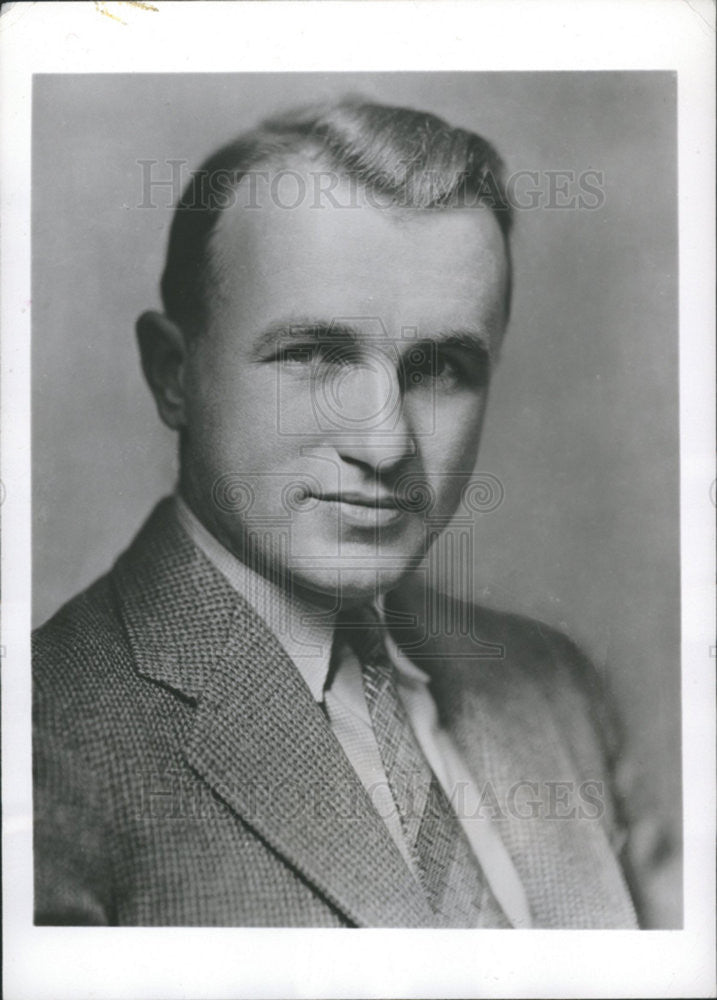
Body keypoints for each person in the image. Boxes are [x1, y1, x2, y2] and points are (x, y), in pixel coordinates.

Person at [33, 98, 641, 927]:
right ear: (174, 375)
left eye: (441, 368)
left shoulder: (553, 687)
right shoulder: (40, 745)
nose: (385, 444)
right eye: (316, 356)